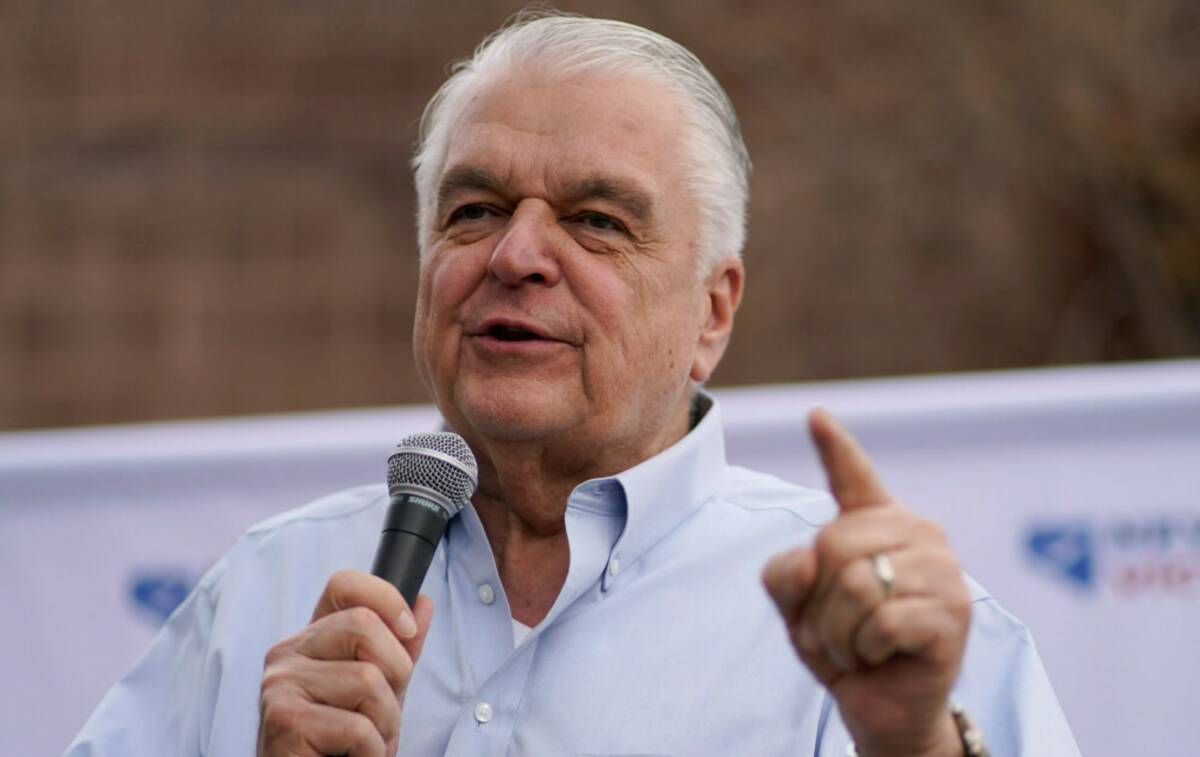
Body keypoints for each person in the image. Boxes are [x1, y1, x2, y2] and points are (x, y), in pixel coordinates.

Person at [67, 12, 1079, 756]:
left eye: (598, 220)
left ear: (712, 311)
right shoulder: (265, 591)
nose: (515, 254)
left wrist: (910, 743)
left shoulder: (873, 632)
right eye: (474, 208)